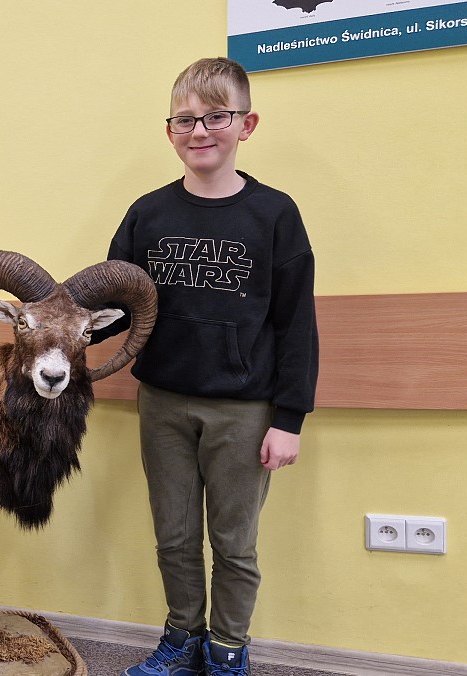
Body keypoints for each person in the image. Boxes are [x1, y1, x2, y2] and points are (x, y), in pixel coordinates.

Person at [99, 57, 319, 676]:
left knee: (234, 542)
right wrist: (56, 327)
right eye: (185, 120)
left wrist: (289, 419)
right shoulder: (146, 214)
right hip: (162, 403)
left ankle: (227, 648)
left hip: (244, 411)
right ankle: (182, 638)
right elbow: (117, 304)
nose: (199, 131)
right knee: (173, 536)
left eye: (216, 117)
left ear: (246, 124)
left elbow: (296, 325)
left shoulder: (275, 214)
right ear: (169, 130)